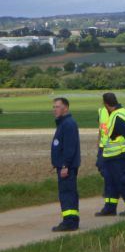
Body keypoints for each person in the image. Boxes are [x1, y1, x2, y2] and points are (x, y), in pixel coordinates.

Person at [95, 92, 125, 217]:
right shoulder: (120, 112)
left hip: (120, 154)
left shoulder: (118, 116)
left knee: (123, 180)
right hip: (110, 154)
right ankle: (110, 207)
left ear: (105, 103)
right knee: (110, 180)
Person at [51, 97, 80, 231]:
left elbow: (69, 148)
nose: (54, 110)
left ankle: (69, 222)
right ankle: (72, 221)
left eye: (57, 107)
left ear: (66, 108)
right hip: (64, 165)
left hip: (66, 167)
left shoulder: (68, 124)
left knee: (67, 193)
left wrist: (64, 165)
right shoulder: (64, 123)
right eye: (54, 107)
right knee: (68, 193)